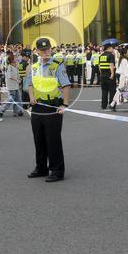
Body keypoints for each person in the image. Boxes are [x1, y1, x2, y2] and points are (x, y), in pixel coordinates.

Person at [25, 38, 72, 182]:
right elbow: (30, 84)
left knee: (53, 140)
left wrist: (64, 104)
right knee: (38, 139)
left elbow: (65, 85)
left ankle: (57, 171)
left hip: (53, 106)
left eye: (48, 49)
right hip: (37, 106)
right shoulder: (33, 67)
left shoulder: (57, 66)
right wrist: (31, 97)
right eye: (43, 50)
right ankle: (41, 168)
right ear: (37, 51)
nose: (46, 52)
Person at [0, 53, 24, 118]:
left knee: (17, 98)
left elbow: (17, 75)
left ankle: (18, 111)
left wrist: (19, 78)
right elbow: (9, 76)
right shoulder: (9, 67)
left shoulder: (16, 66)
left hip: (16, 85)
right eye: (15, 58)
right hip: (11, 85)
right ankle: (1, 109)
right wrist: (17, 80)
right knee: (11, 99)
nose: (16, 59)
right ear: (12, 60)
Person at [98, 44, 116, 110]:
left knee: (104, 91)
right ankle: (111, 104)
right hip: (109, 75)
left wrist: (101, 73)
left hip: (103, 75)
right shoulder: (111, 55)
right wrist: (112, 74)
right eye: (112, 48)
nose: (113, 49)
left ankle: (103, 105)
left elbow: (99, 66)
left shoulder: (101, 56)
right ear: (109, 48)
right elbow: (111, 65)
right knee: (112, 90)